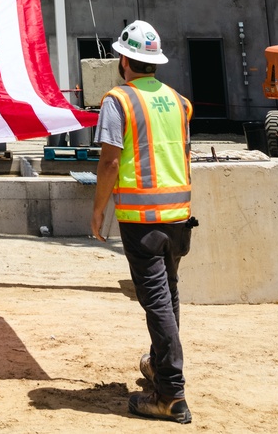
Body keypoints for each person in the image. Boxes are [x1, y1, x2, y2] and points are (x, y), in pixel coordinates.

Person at [90, 22, 195, 425]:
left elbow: (110, 161)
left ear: (123, 60)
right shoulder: (178, 101)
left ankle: (169, 394)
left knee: (157, 303)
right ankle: (157, 366)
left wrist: (99, 209)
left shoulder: (119, 100)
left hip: (143, 220)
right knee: (167, 297)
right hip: (179, 218)